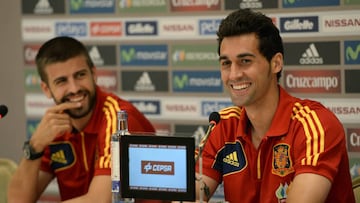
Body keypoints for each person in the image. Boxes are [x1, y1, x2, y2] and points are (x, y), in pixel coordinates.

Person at [194, 9, 355, 203]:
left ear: (276, 63)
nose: (234, 74)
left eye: (245, 61)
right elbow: (193, 192)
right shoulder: (222, 126)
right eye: (226, 63)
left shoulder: (315, 126)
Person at [7, 36, 162, 203]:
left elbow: (100, 200)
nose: (74, 89)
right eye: (61, 81)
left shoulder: (119, 118)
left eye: (80, 75)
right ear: (46, 89)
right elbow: (17, 200)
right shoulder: (55, 127)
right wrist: (35, 145)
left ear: (93, 74)